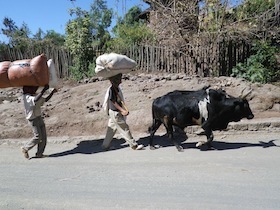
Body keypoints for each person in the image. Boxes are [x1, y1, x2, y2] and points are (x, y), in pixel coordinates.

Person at [102, 73, 144, 151]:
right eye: (118, 80)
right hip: (115, 113)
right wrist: (122, 110)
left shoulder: (116, 88)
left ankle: (105, 146)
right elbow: (113, 101)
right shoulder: (112, 90)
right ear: (113, 81)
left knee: (111, 129)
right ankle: (133, 145)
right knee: (124, 128)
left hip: (113, 112)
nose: (120, 81)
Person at [21, 85, 57, 159]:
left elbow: (45, 100)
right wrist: (44, 90)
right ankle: (25, 148)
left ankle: (39, 153)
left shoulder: (35, 95)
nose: (35, 89)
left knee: (43, 137)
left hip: (38, 117)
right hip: (32, 119)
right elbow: (35, 100)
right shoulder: (26, 97)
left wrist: (52, 92)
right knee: (38, 136)